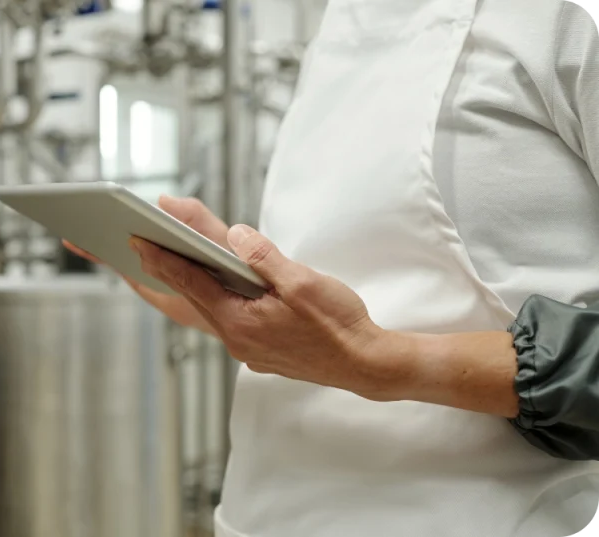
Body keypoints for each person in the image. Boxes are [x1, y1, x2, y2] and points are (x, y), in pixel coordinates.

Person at [67, 1, 599, 535]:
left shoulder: (564, 21)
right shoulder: (341, 23)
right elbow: (344, 294)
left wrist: (381, 360)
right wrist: (220, 293)